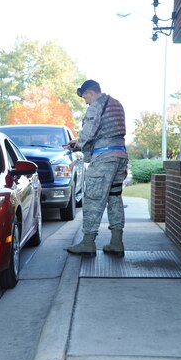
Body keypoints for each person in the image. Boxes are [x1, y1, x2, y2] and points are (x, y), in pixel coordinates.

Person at [66, 80, 128, 257]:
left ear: (90, 93)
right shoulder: (116, 104)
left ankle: (88, 243)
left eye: (85, 97)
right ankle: (117, 242)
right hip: (120, 156)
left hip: (103, 159)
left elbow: (88, 133)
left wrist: (77, 144)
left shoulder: (95, 106)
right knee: (115, 197)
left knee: (93, 199)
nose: (85, 101)